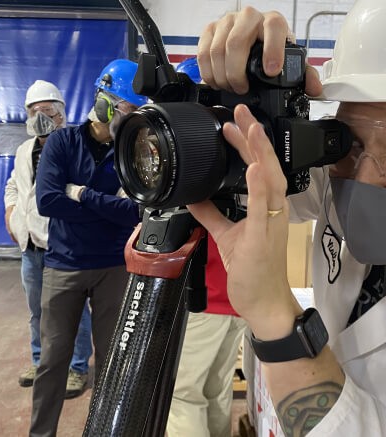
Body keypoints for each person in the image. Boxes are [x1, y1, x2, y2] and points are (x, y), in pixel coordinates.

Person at [187, 0, 386, 436]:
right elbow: (264, 177)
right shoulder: (335, 176)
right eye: (348, 142)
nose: (366, 177)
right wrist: (258, 92)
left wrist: (276, 319)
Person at [29, 59, 148, 437]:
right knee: (53, 360)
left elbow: (134, 213)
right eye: (125, 108)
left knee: (112, 360)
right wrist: (106, 205)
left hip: (114, 268)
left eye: (133, 111)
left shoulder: (132, 153)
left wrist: (80, 194)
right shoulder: (63, 142)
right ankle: (41, 433)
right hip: (63, 267)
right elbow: (48, 201)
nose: (128, 118)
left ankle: (103, 430)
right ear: (104, 100)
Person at [166, 58, 247, 437]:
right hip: (237, 297)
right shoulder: (245, 152)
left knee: (182, 395)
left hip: (205, 295)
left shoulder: (197, 159)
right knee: (216, 390)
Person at [4, 80, 92, 389]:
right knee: (37, 311)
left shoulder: (76, 146)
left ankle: (77, 367)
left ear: (61, 114)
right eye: (34, 111)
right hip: (31, 248)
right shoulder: (24, 150)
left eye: (47, 111)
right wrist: (11, 212)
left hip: (64, 247)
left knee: (73, 311)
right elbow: (15, 184)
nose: (40, 117)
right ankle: (41, 361)